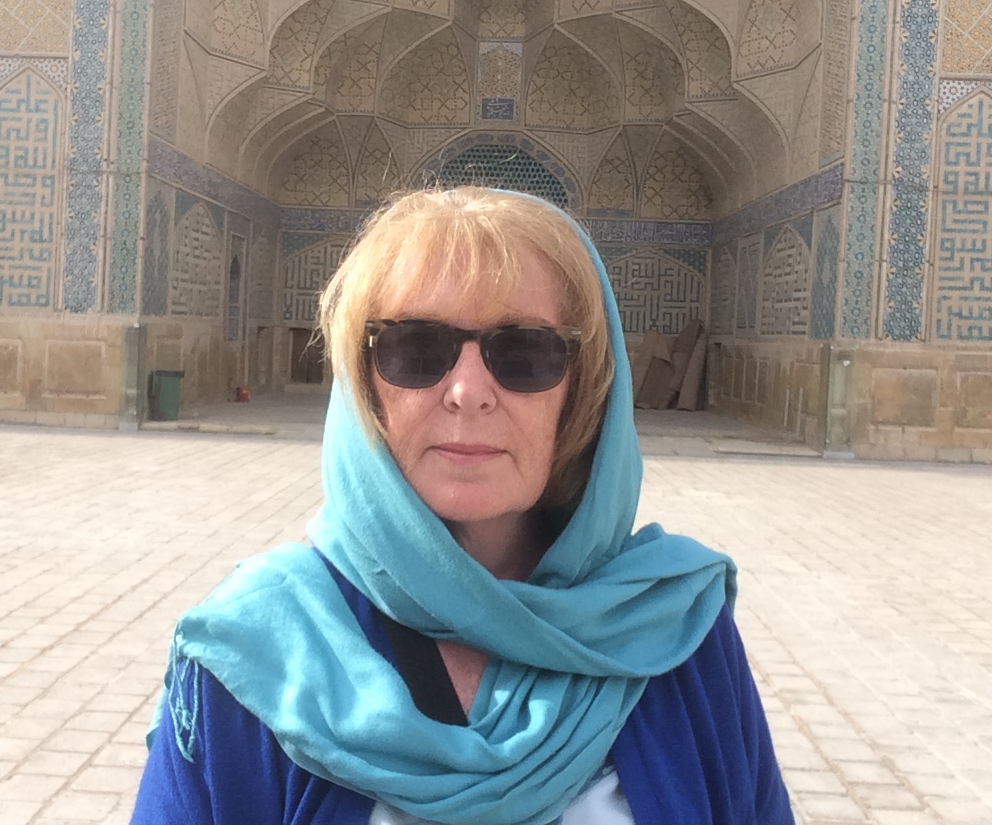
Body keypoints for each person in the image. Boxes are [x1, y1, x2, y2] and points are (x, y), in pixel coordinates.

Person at [132, 186, 794, 824]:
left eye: (524, 352)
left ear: (582, 391)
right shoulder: (260, 653)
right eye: (416, 348)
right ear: (365, 386)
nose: (467, 391)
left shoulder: (670, 632)